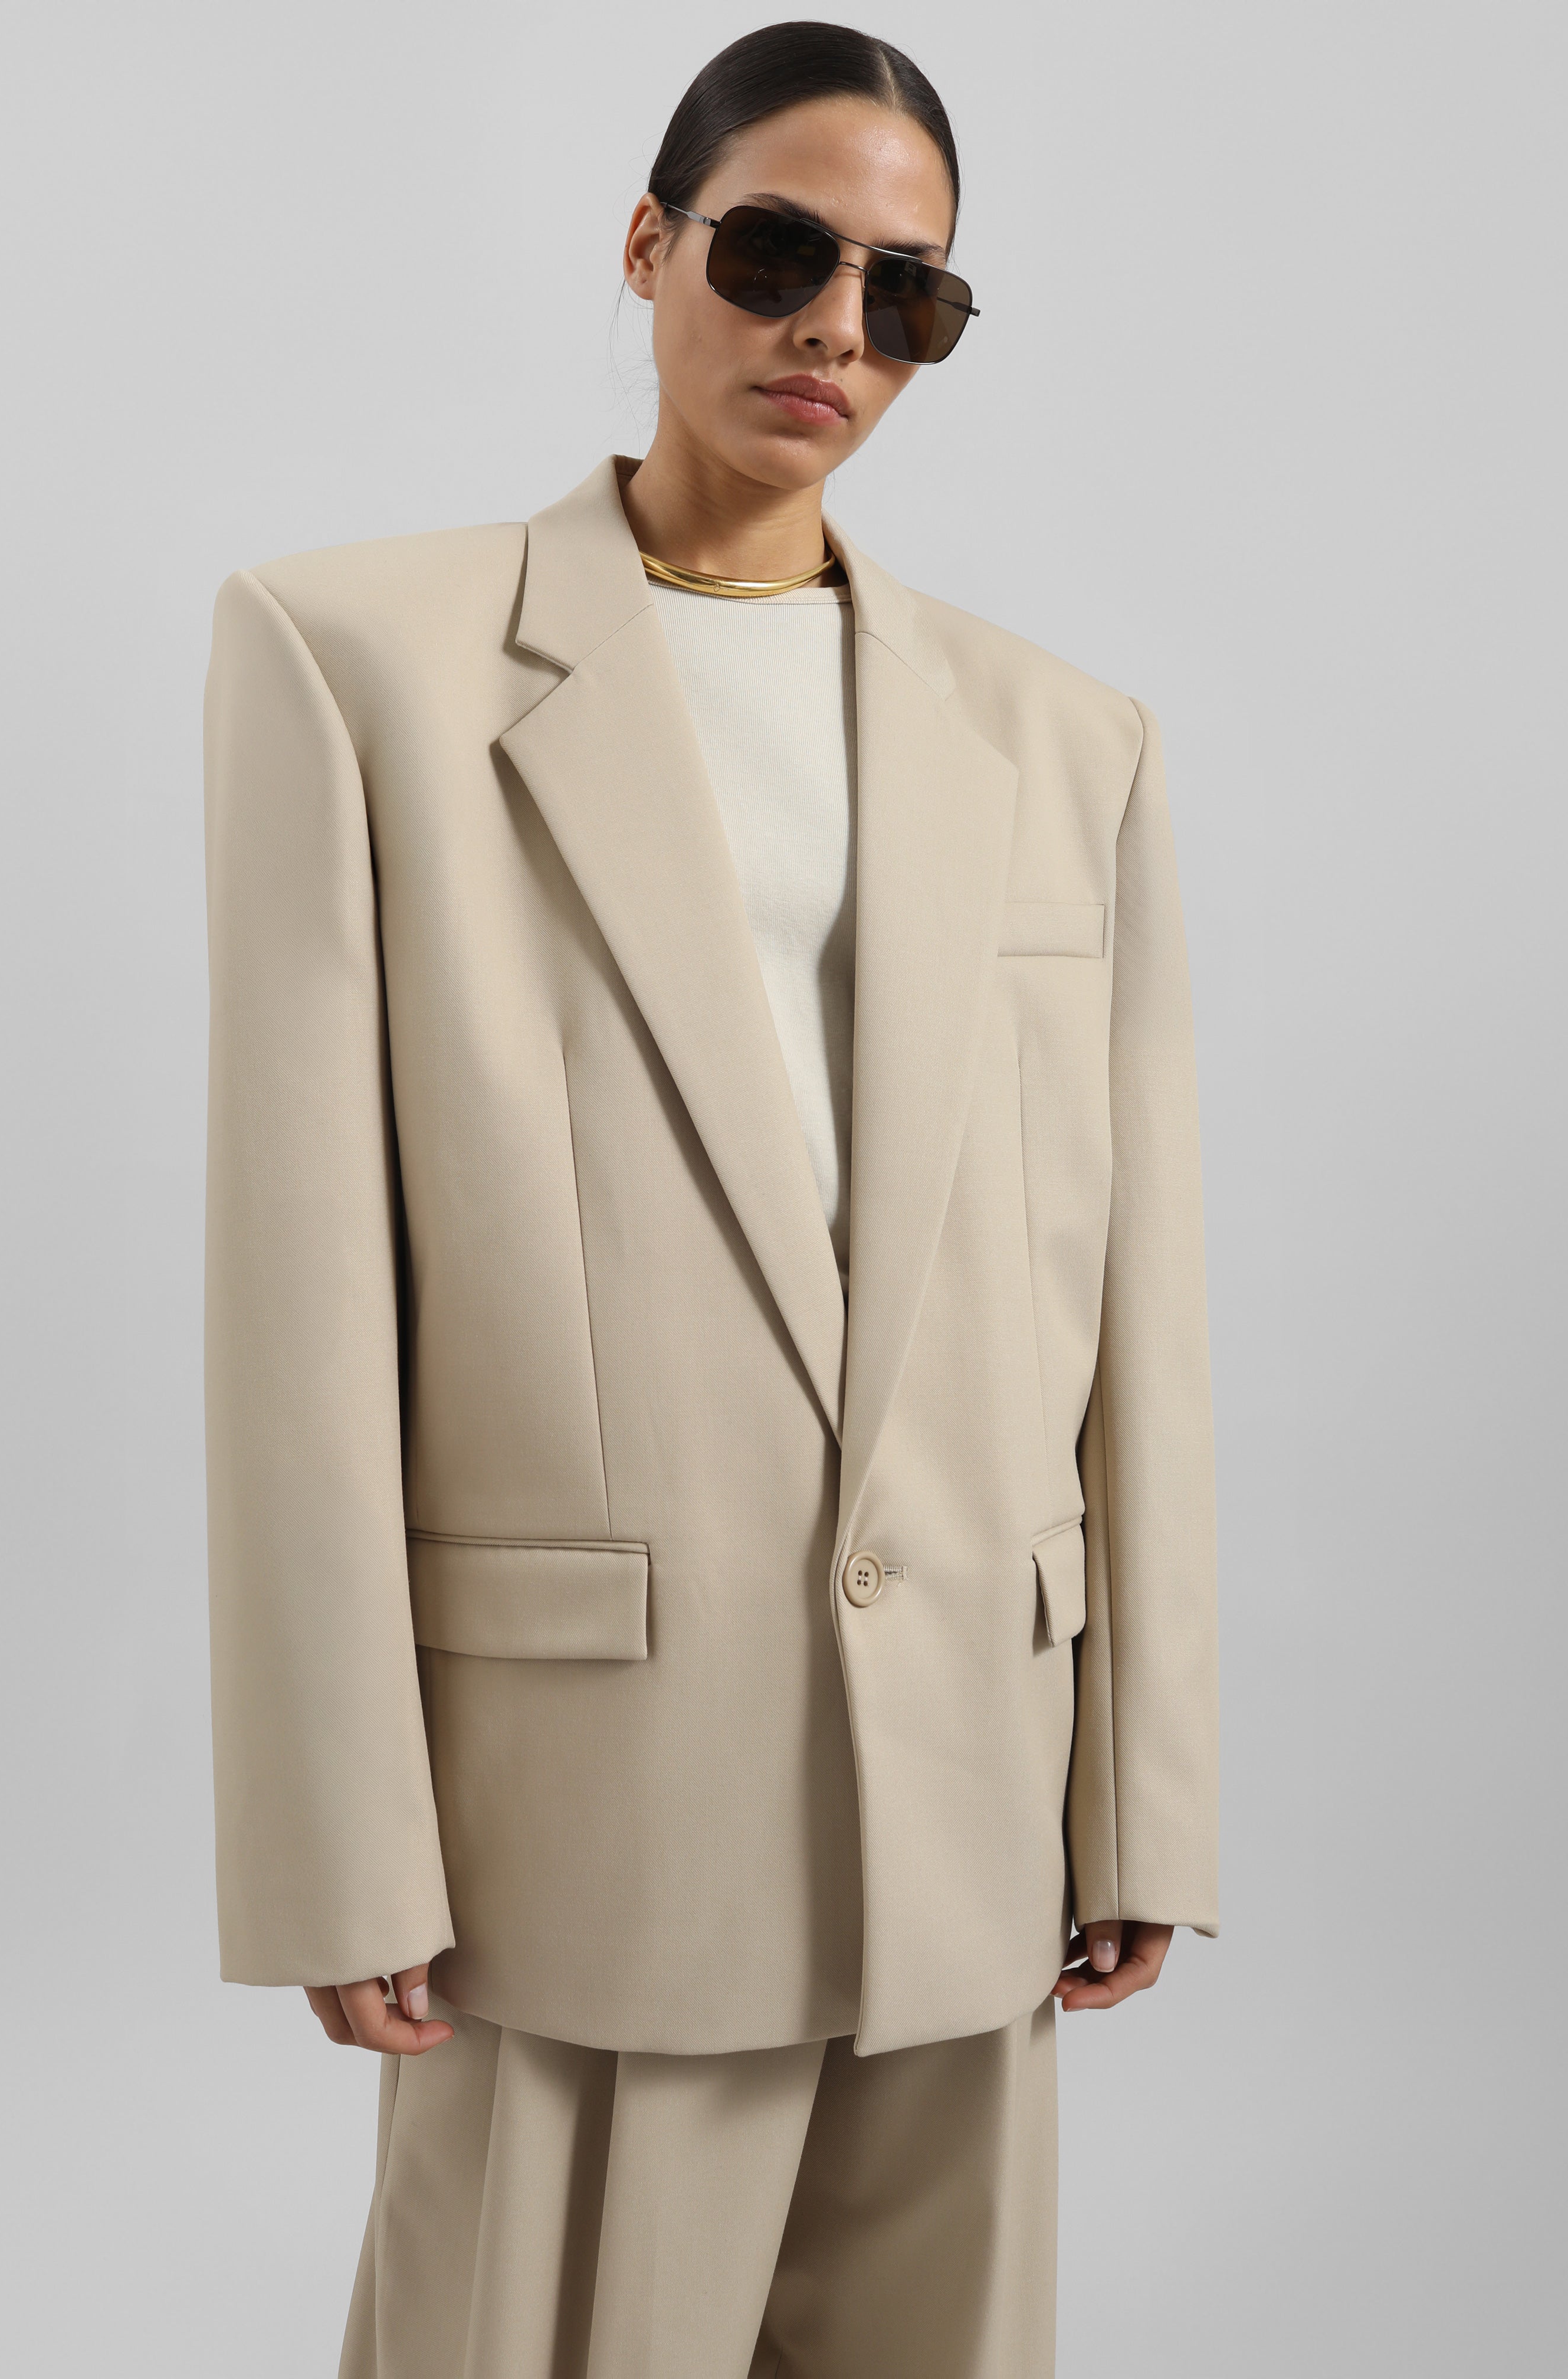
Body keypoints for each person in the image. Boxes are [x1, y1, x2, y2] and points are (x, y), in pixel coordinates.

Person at [202, 22, 1218, 2377]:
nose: (835, 328)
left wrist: (1144, 1791)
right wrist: (340, 1833)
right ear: (652, 243)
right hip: (583, 1812)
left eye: (908, 293)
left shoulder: (1065, 742)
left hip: (970, 1792)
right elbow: (302, 1299)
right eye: (775, 253)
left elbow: (1133, 1298)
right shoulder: (357, 662)